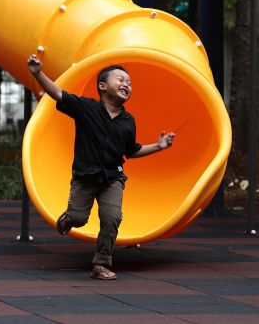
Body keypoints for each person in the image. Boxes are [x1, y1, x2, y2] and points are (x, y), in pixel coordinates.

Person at [27, 54, 176, 280]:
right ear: (103, 86)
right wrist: (37, 73)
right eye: (121, 79)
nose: (127, 84)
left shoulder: (128, 121)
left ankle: (102, 263)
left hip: (112, 178)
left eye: (129, 82)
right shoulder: (86, 108)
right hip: (85, 176)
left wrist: (159, 145)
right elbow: (57, 94)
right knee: (79, 219)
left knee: (112, 218)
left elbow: (131, 151)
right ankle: (68, 218)